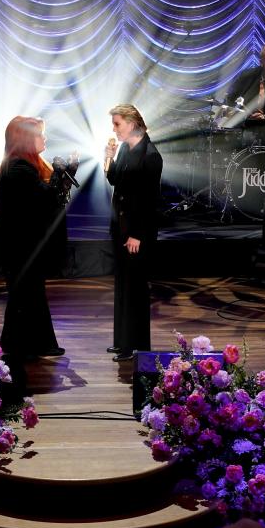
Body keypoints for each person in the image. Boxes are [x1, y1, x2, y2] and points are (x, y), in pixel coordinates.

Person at [0, 116, 77, 361]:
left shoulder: (25, 165)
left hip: (23, 244)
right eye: (39, 134)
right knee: (25, 293)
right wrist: (63, 175)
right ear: (26, 139)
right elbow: (48, 199)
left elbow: (50, 197)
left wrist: (65, 174)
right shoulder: (19, 169)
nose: (44, 138)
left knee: (30, 293)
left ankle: (35, 343)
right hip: (18, 245)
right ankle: (23, 346)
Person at [104, 104, 163, 362]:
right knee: (123, 286)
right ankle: (122, 342)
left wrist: (137, 234)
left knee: (135, 288)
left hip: (137, 232)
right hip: (121, 226)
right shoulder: (127, 149)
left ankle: (135, 345)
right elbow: (114, 179)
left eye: (117, 124)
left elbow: (150, 201)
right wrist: (108, 156)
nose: (114, 129)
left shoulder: (149, 155)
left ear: (131, 122)